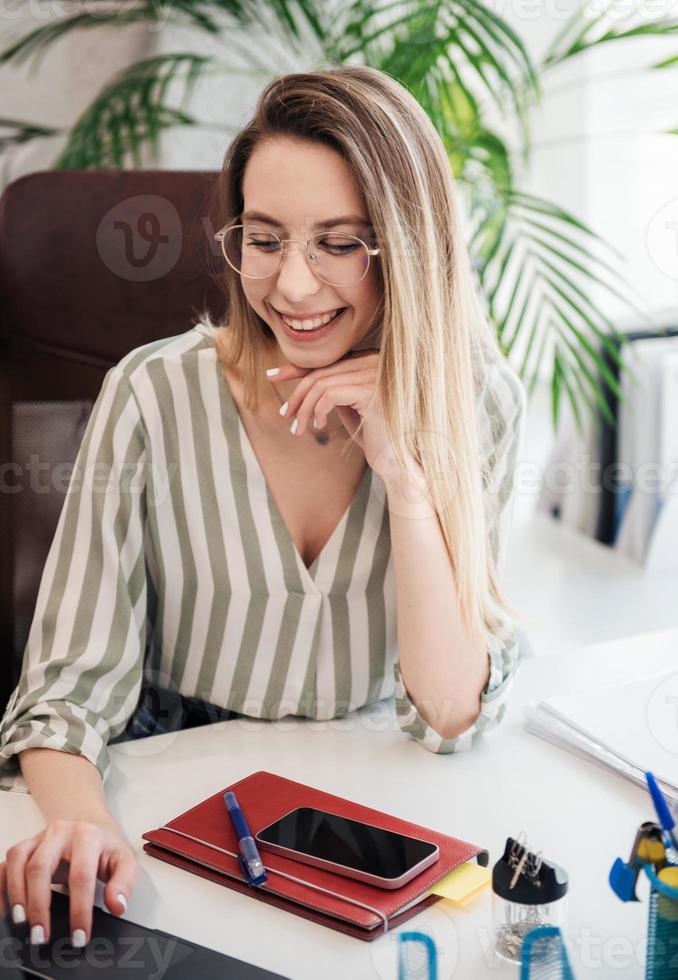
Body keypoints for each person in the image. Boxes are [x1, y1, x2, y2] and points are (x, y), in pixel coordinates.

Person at [0, 66, 526, 949]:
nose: (292, 286)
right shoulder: (154, 394)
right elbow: (62, 701)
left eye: (340, 242)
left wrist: (403, 470)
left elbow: (448, 711)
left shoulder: (479, 405)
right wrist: (84, 825)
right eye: (267, 239)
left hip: (369, 800)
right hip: (169, 790)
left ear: (408, 247)